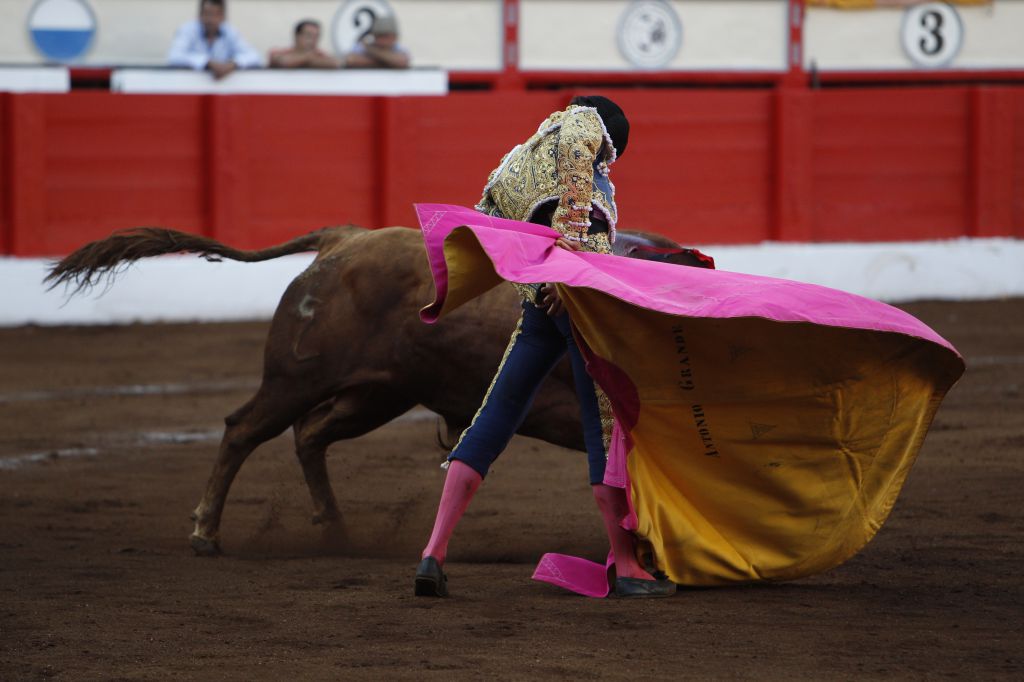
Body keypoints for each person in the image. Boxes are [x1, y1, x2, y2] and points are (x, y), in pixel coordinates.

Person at [414, 96, 675, 599]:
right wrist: (568, 273)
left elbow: (492, 230)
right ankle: (627, 567)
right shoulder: (584, 128)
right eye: (609, 152)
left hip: (540, 304)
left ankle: (433, 552)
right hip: (582, 297)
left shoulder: (516, 159)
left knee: (495, 414)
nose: (603, 159)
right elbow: (578, 194)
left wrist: (537, 283)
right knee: (604, 422)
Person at [167, 0, 262, 80]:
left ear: (223, 17)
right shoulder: (188, 30)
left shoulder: (229, 31)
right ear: (199, 15)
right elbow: (174, 57)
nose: (210, 19)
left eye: (215, 15)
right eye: (206, 14)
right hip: (190, 88)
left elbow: (255, 57)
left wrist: (233, 64)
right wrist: (207, 62)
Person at [344, 14, 410, 69]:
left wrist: (372, 51)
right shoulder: (363, 46)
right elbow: (350, 60)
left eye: (385, 36)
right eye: (379, 36)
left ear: (394, 37)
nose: (382, 40)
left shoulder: (398, 48)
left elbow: (402, 62)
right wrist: (389, 61)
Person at [268, 19, 341, 69]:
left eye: (316, 36)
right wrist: (308, 58)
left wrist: (303, 60)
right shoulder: (280, 52)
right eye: (309, 36)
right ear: (297, 36)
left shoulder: (320, 54)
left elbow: (335, 63)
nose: (313, 40)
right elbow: (282, 62)